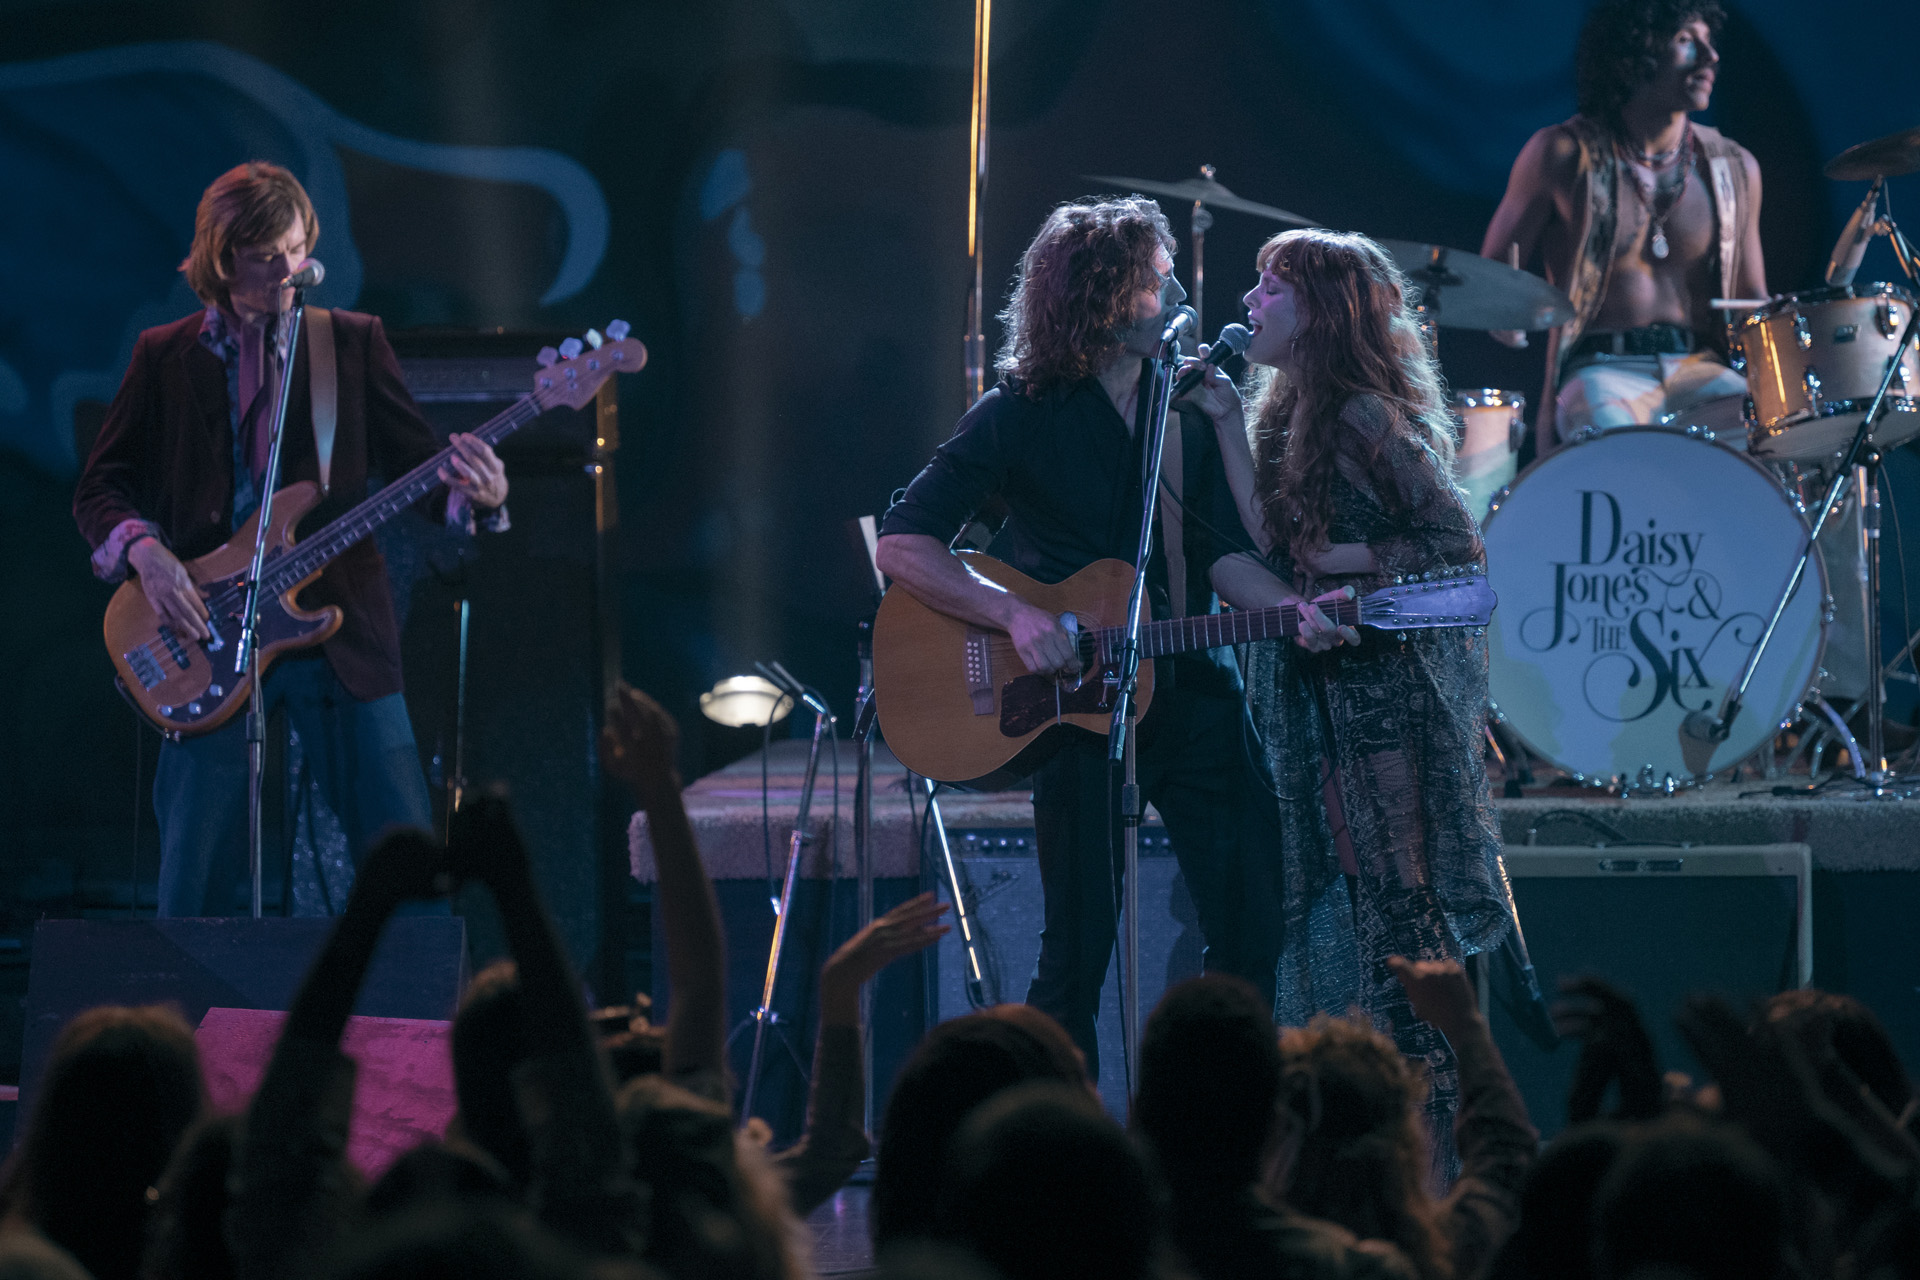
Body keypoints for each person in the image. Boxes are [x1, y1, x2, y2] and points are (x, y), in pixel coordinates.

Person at [875, 196, 1286, 1076]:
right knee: (1076, 956)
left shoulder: (1189, 408)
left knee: (1252, 925)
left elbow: (1220, 557)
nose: (1175, 289)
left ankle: (1214, 1141)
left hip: (1198, 688)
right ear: (1104, 298)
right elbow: (903, 542)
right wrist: (1014, 615)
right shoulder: (1020, 411)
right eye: (1155, 277)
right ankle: (1057, 1163)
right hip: (1077, 710)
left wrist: (1293, 609)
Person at [72, 160, 509, 917]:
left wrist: (485, 498)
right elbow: (99, 488)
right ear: (222, 257)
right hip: (204, 631)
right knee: (191, 884)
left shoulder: (350, 343)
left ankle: (412, 1032)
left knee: (406, 859)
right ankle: (190, 1033)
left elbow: (422, 472)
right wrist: (149, 555)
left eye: (298, 248)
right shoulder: (163, 355)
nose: (290, 269)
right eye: (267, 255)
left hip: (338, 623)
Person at [1179, 227, 1517, 1175]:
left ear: (1321, 311)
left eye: (1270, 288)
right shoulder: (1284, 414)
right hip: (1321, 692)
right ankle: (1360, 1146)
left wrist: (1348, 562)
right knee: (1340, 900)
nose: (1249, 303)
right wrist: (1217, 420)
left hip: (1386, 705)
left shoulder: (1368, 416)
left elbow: (1459, 546)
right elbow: (1275, 538)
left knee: (1399, 906)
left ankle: (1440, 1151)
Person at [1480, 0, 1764, 450]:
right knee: (1619, 450)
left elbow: (1750, 300)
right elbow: (1487, 275)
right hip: (1600, 370)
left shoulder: (1733, 168)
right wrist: (1505, 309)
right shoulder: (1561, 153)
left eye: (1711, 41)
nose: (1711, 57)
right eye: (1687, 41)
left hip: (1701, 368)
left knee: (1761, 438)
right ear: (1636, 51)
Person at [1132, 975, 1418, 1280]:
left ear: (1140, 1110)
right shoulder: (1363, 1270)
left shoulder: (1090, 1250)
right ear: (1274, 1122)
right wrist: (1467, 1031)